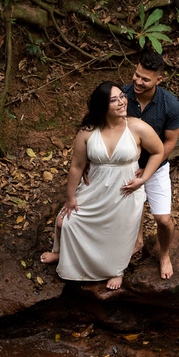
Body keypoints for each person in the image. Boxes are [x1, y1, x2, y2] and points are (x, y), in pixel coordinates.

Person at [40, 82, 165, 290]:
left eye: (122, 97)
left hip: (126, 191)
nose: (121, 102)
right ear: (102, 106)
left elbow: (159, 151)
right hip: (94, 189)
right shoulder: (88, 132)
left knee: (118, 231)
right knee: (65, 222)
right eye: (113, 100)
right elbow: (76, 166)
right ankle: (63, 252)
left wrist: (144, 179)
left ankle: (115, 270)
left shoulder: (136, 127)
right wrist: (70, 197)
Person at [121, 50, 179, 279]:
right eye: (136, 75)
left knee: (163, 220)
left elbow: (170, 142)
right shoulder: (122, 96)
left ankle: (164, 253)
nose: (138, 81)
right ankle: (133, 244)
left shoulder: (170, 104)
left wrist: (147, 171)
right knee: (128, 214)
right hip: (126, 164)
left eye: (145, 79)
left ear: (159, 79)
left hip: (156, 167)